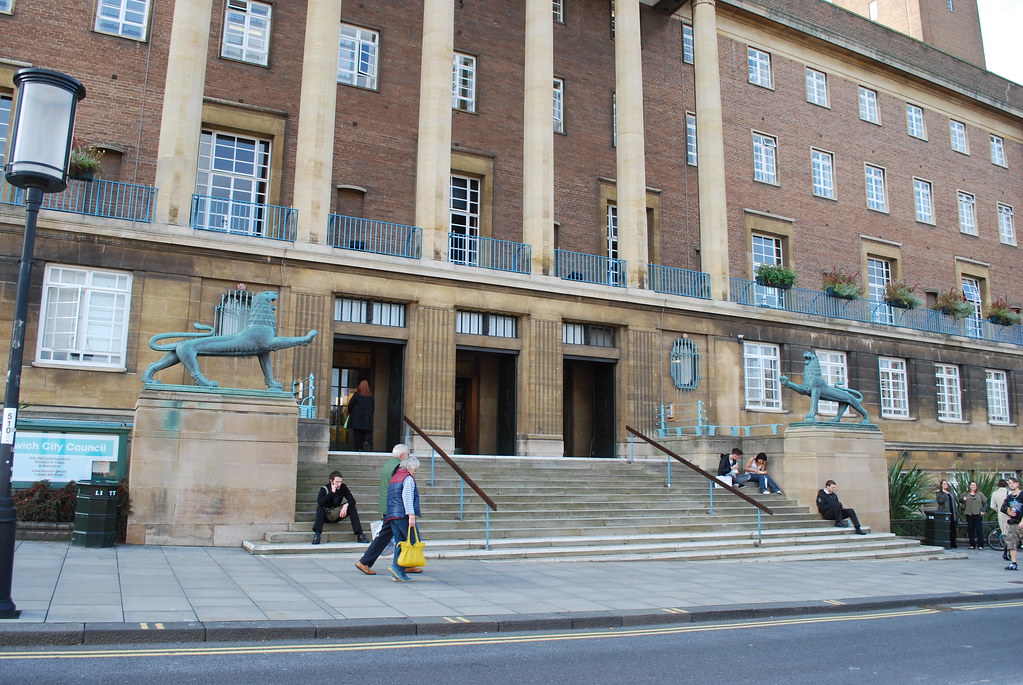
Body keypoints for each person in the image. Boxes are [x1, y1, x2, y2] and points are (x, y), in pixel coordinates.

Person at [355, 449, 425, 579]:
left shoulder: (395, 473)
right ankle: (399, 567)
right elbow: (407, 497)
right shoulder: (405, 475)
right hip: (399, 512)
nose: (416, 471)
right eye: (415, 468)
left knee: (399, 540)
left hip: (391, 511)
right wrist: (411, 515)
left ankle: (398, 568)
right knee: (410, 540)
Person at [312, 471, 368, 545]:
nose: (339, 484)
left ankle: (360, 534)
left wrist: (346, 505)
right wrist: (332, 493)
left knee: (352, 507)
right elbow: (320, 502)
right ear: (331, 481)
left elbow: (352, 500)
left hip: (337, 513)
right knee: (320, 507)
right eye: (337, 482)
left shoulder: (343, 487)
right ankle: (317, 534)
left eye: (340, 481)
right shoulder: (324, 489)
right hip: (325, 515)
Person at [999, 476, 1022, 571]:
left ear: (1017, 484)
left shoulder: (1022, 495)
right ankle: (1013, 563)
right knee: (1011, 543)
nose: (1011, 485)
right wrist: (1009, 512)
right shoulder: (1009, 497)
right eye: (1010, 483)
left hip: (1021, 523)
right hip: (1013, 523)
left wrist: (1022, 521)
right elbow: (1004, 508)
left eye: (1013, 483)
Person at [347, 379, 374, 451]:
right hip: (367, 417)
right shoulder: (371, 396)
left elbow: (350, 404)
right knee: (367, 431)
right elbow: (373, 407)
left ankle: (358, 448)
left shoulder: (357, 395)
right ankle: (366, 441)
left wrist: (350, 413)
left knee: (357, 433)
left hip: (357, 417)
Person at [960, 481, 988, 550]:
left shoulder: (980, 494)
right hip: (969, 514)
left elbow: (985, 503)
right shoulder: (966, 493)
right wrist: (963, 499)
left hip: (978, 514)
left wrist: (983, 511)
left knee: (979, 529)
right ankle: (972, 544)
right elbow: (960, 500)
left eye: (974, 485)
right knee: (970, 529)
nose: (973, 486)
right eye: (972, 485)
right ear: (969, 486)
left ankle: (980, 545)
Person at [936, 479, 958, 548]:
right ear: (941, 485)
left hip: (952, 512)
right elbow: (940, 501)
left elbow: (954, 502)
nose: (945, 485)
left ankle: (953, 543)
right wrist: (943, 493)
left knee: (953, 528)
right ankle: (946, 543)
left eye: (946, 484)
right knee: (946, 528)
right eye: (944, 484)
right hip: (945, 513)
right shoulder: (939, 493)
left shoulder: (950, 493)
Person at [991, 478, 1010, 560]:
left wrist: (998, 509)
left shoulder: (995, 493)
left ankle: (1006, 552)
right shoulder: (1009, 492)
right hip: (1010, 514)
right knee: (1010, 533)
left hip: (1000, 514)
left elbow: (992, 506)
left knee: (1005, 533)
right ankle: (1008, 552)